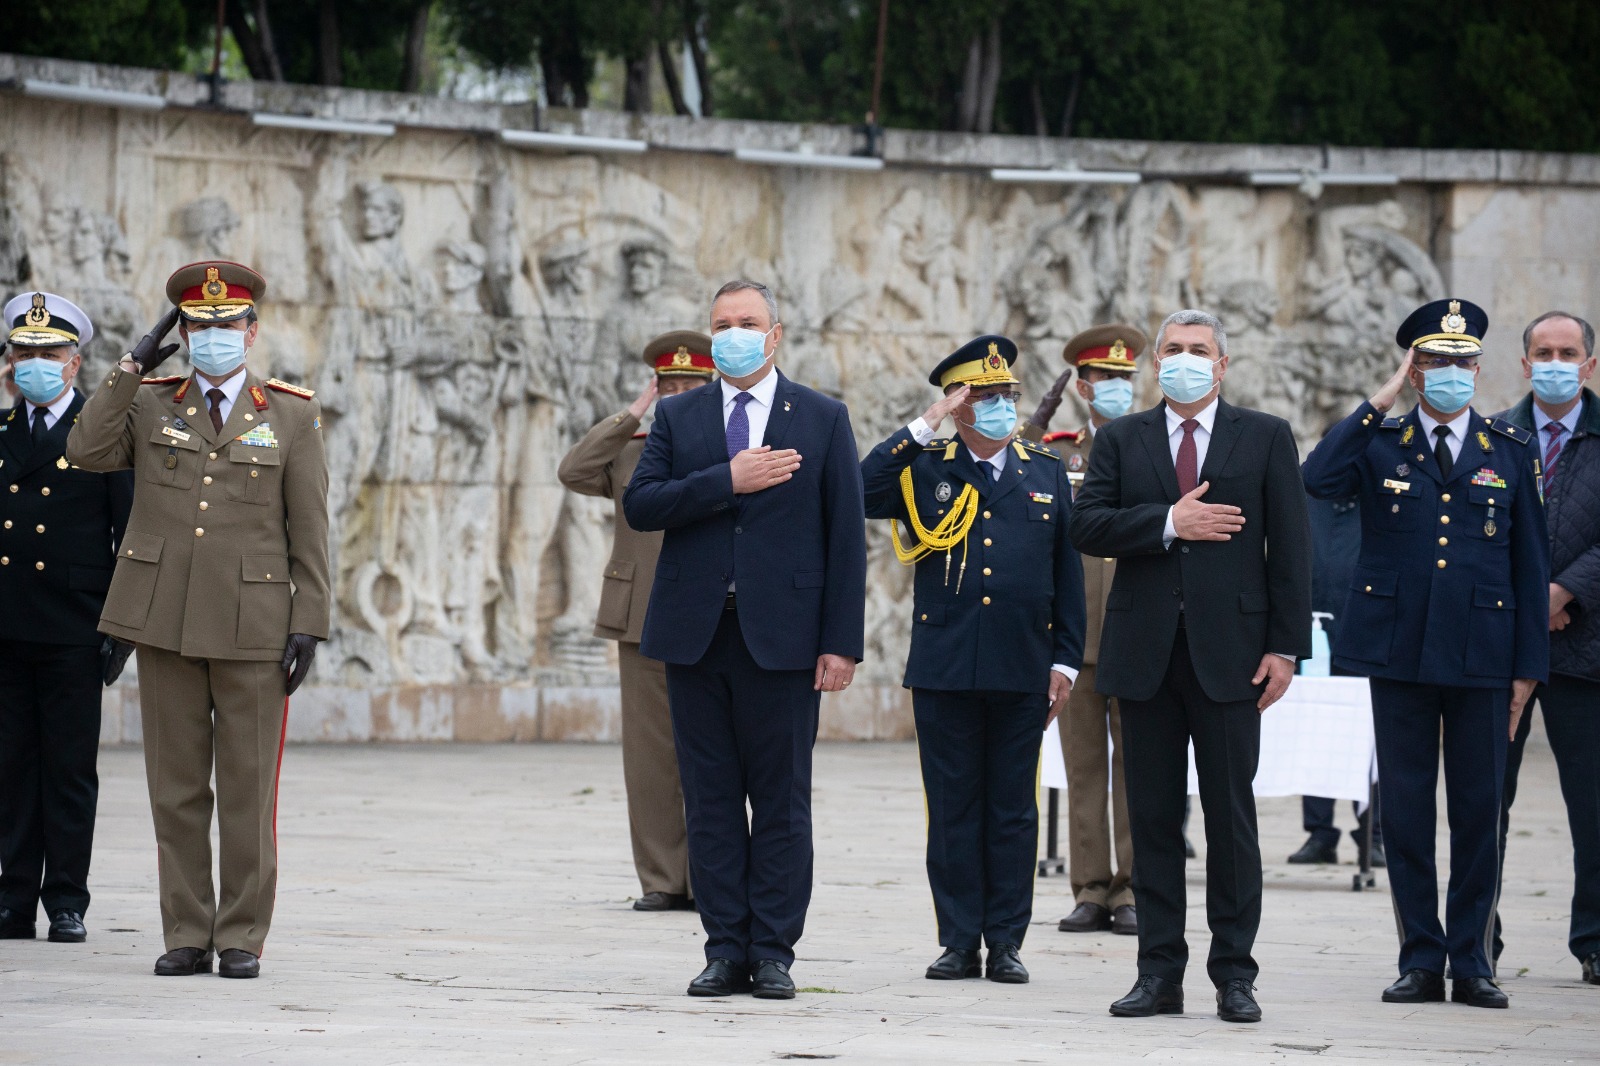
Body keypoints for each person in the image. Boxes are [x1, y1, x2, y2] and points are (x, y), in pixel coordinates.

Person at [66, 261, 331, 979]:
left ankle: (241, 933)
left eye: (225, 325)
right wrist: (130, 364)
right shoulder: (151, 403)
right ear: (181, 333)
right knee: (176, 791)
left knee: (247, 790)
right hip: (164, 621)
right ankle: (185, 929)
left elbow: (309, 527)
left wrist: (310, 620)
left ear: (251, 331)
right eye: (198, 326)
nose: (212, 336)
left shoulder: (292, 414)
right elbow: (84, 449)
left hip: (254, 626)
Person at [623, 280, 866, 1000]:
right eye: (723, 323)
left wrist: (840, 643)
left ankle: (774, 951)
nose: (734, 333)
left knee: (782, 800)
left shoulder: (820, 417)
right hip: (696, 635)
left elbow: (845, 539)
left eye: (748, 322)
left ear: (776, 333)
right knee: (711, 800)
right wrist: (724, 480)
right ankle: (724, 947)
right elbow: (643, 505)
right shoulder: (680, 413)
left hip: (785, 642)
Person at [1302, 298, 1547, 1009]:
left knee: (1478, 813)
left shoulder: (1508, 449)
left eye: (1463, 362)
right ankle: (1419, 957)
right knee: (1405, 813)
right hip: (1398, 652)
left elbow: (1529, 567)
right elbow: (1318, 477)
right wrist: (1379, 399)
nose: (1452, 373)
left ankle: (1472, 959)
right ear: (1413, 370)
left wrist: (1528, 669)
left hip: (1482, 656)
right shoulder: (1382, 441)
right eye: (1435, 361)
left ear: (1479, 368)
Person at [1070, 308, 1312, 1024]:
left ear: (1222, 364)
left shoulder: (1264, 436)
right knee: (1152, 822)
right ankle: (1158, 974)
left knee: (1231, 820)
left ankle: (1235, 974)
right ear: (1155, 363)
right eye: (1172, 349)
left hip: (1232, 660)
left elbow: (1292, 552)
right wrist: (1170, 522)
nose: (1184, 359)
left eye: (1198, 350)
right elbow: (1087, 523)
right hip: (1143, 657)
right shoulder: (1121, 439)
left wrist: (1284, 646)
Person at [861, 335, 1086, 984]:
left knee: (1014, 810)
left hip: (1023, 666)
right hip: (946, 667)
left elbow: (1066, 575)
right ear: (957, 405)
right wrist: (923, 424)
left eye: (1006, 395)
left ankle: (1006, 942)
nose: (1000, 406)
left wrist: (1065, 662)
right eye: (983, 397)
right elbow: (857, 487)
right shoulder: (925, 467)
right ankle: (959, 940)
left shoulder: (1042, 471)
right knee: (954, 808)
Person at [557, 330, 715, 913]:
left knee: (709, 750)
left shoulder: (729, 444)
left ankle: (709, 878)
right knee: (650, 756)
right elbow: (574, 470)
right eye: (667, 386)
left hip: (710, 612)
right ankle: (662, 879)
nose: (677, 396)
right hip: (642, 613)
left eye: (689, 387)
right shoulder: (635, 447)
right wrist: (632, 414)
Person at [0, 292, 134, 944]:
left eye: (48, 353)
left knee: (70, 769)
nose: (34, 362)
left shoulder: (101, 431)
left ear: (74, 362)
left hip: (75, 626)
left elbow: (128, 534)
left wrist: (122, 629)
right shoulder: (0, 434)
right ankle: (13, 898)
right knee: (10, 765)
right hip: (6, 622)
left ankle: (67, 901)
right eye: (23, 352)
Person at [1021, 323, 1146, 937]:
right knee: (1083, 768)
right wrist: (1032, 424)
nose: (1115, 388)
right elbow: (1009, 479)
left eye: (1125, 379)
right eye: (1104, 379)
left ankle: (1132, 890)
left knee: (1138, 769)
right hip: (1074, 638)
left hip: (1137, 630)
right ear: (1083, 386)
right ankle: (1091, 888)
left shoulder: (1152, 449)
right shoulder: (1060, 452)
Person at [1492, 310, 1600, 986]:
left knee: (1591, 803)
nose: (1555, 361)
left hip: (1586, 647)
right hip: (1502, 647)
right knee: (1485, 796)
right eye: (1542, 351)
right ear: (1524, 363)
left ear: (1589, 364)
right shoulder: (1494, 435)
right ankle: (1478, 936)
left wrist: (1564, 592)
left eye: (1569, 352)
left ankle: (1594, 937)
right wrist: (1530, 601)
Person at [1290, 494, 1384, 868]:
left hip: (1365, 638)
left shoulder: (1377, 499)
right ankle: (1319, 832)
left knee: (1370, 741)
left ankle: (1373, 833)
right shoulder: (1306, 501)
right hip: (1312, 637)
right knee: (1315, 735)